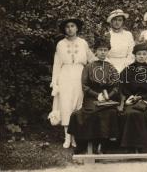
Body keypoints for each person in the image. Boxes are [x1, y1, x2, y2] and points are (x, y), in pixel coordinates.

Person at [67, 36, 120, 154]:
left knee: (108, 113)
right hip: (92, 97)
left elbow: (116, 86)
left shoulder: (111, 67)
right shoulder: (89, 67)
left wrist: (108, 96)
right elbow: (85, 85)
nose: (103, 52)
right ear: (95, 51)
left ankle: (102, 143)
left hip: (107, 98)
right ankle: (84, 143)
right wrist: (97, 95)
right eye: (100, 50)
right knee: (84, 113)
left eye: (105, 50)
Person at [50, 18, 97, 148]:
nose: (70, 29)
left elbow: (91, 59)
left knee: (78, 104)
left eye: (72, 26)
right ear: (64, 29)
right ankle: (67, 137)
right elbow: (57, 64)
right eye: (67, 27)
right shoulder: (60, 44)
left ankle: (75, 137)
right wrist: (55, 82)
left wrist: (103, 63)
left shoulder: (83, 43)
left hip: (80, 74)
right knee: (66, 104)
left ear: (77, 28)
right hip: (65, 74)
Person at [119, 41, 147, 153]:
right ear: (135, 55)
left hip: (146, 100)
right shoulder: (127, 70)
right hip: (130, 99)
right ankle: (129, 145)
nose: (141, 56)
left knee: (140, 113)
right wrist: (130, 97)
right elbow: (122, 86)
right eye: (139, 54)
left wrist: (142, 98)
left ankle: (142, 145)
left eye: (144, 54)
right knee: (130, 113)